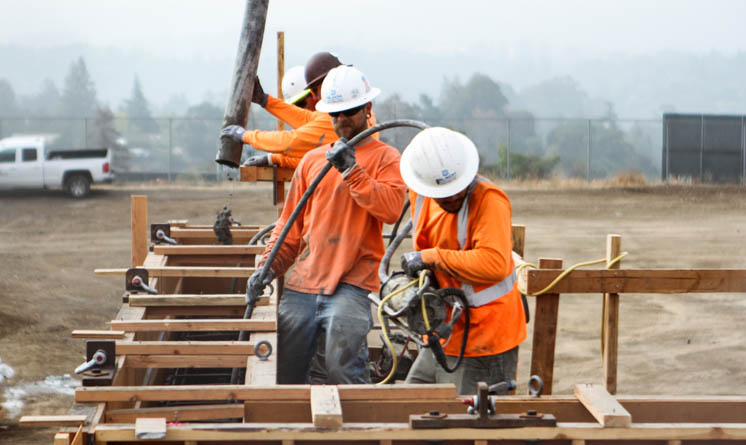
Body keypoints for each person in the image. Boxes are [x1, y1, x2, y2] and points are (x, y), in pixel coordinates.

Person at [246, 65, 406, 384]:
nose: (342, 120)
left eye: (349, 111)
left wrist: (352, 171)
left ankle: (354, 432)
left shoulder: (385, 158)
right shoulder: (312, 161)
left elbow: (390, 209)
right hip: (305, 281)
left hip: (353, 282)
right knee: (283, 369)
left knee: (342, 366)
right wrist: (266, 267)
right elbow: (289, 227)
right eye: (335, 114)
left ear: (367, 109)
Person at [399, 127, 526, 395]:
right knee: (408, 406)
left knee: (469, 428)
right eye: (444, 194)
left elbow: (494, 264)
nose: (453, 197)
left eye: (458, 189)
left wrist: (431, 258)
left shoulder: (488, 200)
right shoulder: (422, 193)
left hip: (486, 339)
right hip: (444, 334)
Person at [221, 52, 376, 169]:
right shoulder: (355, 112)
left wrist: (245, 136)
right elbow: (307, 122)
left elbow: (290, 141)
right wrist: (265, 101)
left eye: (314, 91)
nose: (315, 97)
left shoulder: (341, 120)